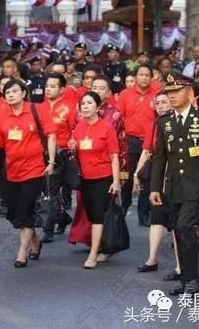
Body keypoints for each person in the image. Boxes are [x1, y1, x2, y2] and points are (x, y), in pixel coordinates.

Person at [150, 71, 199, 295]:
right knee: (179, 231)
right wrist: (155, 187)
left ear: (190, 92)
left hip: (197, 185)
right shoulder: (164, 122)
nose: (172, 96)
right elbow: (159, 157)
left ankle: (192, 280)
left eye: (177, 91)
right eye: (169, 92)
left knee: (184, 227)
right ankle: (185, 279)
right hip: (174, 186)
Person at [0, 79, 56, 267]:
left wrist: (51, 161)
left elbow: (51, 135)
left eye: (15, 91)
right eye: (7, 92)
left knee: (25, 209)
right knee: (14, 212)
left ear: (23, 93)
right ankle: (35, 242)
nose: (10, 95)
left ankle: (21, 252)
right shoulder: (3, 116)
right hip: (11, 171)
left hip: (34, 169)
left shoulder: (37, 109)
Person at [69, 92, 120, 269]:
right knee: (91, 215)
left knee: (98, 215)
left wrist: (116, 181)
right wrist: (72, 148)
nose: (85, 106)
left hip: (103, 177)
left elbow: (114, 156)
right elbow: (76, 155)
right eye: (83, 103)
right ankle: (103, 246)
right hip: (85, 178)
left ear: (98, 107)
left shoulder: (106, 128)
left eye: (89, 103)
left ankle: (93, 254)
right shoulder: (79, 127)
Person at [132, 91, 181, 277]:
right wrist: (136, 173)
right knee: (156, 218)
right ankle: (151, 259)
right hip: (157, 177)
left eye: (164, 102)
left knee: (178, 224)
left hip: (176, 178)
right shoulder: (155, 124)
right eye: (158, 103)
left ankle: (179, 265)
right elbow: (146, 151)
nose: (160, 106)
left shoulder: (179, 123)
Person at [116, 64, 157, 225]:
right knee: (126, 175)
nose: (144, 77)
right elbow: (118, 118)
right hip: (129, 141)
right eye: (141, 74)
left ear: (151, 77)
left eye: (147, 75)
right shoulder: (125, 94)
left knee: (146, 178)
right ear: (136, 76)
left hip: (150, 141)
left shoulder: (157, 94)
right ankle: (124, 206)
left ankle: (143, 213)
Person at [37, 73, 76, 243]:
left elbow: (76, 130)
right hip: (42, 154)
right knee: (48, 191)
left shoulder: (70, 107)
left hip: (63, 154)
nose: (48, 89)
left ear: (62, 90)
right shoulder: (38, 108)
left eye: (53, 86)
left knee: (52, 191)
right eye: (47, 85)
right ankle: (62, 219)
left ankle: (48, 229)